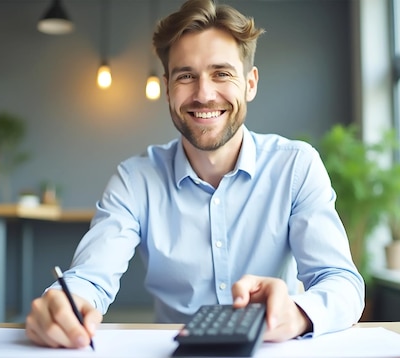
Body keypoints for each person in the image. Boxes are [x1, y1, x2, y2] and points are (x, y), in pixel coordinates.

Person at [26, 0, 364, 349]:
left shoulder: (296, 167)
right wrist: (64, 306)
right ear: (168, 88)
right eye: (186, 76)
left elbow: (340, 281)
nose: (204, 94)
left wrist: (294, 314)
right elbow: (90, 279)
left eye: (222, 73)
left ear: (250, 83)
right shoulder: (135, 180)